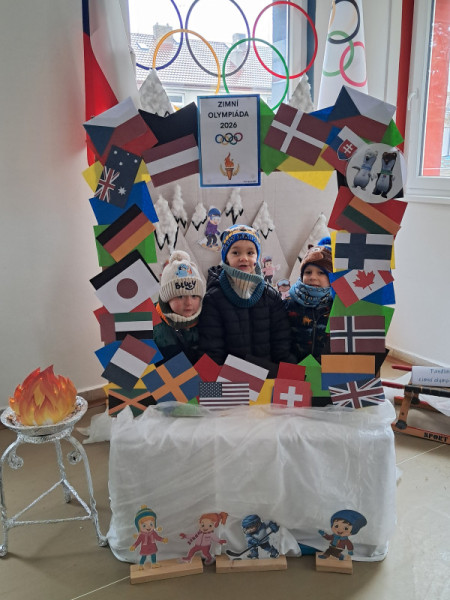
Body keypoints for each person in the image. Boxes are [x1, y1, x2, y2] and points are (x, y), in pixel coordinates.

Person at [198, 224, 294, 365]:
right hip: (229, 375)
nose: (244, 258)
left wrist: (285, 372)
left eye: (250, 253)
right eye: (236, 253)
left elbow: (282, 341)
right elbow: (211, 348)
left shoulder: (271, 296)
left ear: (257, 257)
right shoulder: (214, 298)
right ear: (226, 258)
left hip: (267, 373)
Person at [285, 238, 333, 363]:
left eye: (321, 273)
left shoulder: (336, 305)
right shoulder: (289, 302)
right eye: (308, 272)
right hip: (294, 364)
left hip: (325, 366)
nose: (313, 277)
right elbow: (281, 336)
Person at [154, 250, 205, 364]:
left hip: (201, 374)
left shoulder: (208, 317)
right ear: (167, 298)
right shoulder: (150, 321)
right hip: (165, 374)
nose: (188, 303)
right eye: (180, 296)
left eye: (194, 296)